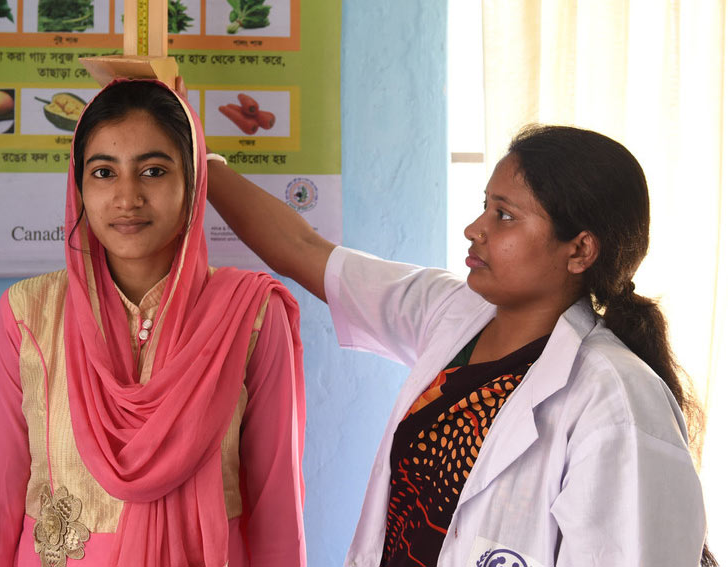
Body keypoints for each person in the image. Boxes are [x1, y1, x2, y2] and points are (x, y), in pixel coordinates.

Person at [206, 124, 715, 566]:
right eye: (484, 207)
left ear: (579, 249)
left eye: (506, 215)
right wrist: (201, 160)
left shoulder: (617, 401)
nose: (476, 229)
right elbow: (302, 250)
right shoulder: (452, 314)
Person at [0, 79, 307, 567]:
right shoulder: (28, 314)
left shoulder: (249, 316)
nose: (127, 197)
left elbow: (276, 510)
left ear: (193, 182)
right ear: (78, 186)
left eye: (153, 171)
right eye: (103, 172)